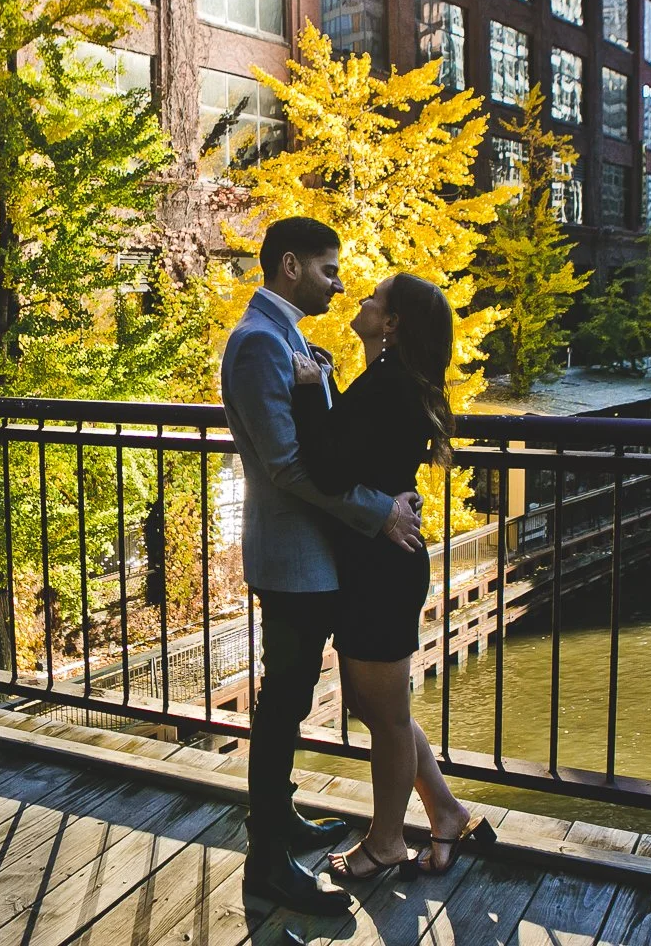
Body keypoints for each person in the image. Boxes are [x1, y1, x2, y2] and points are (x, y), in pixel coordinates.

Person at [219, 217, 425, 916]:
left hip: (316, 557)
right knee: (282, 706)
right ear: (289, 267)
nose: (339, 284)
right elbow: (287, 466)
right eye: (329, 270)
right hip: (292, 560)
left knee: (293, 697)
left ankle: (278, 822)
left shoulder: (287, 339)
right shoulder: (257, 344)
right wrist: (380, 513)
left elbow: (324, 445)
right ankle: (267, 864)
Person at [290, 272, 495, 881]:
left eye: (374, 300)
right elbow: (355, 455)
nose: (362, 301)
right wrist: (323, 384)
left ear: (393, 322)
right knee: (386, 709)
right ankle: (446, 812)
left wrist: (306, 391)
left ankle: (384, 843)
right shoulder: (391, 382)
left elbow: (328, 469)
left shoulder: (391, 387)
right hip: (378, 562)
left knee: (382, 715)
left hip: (382, 568)